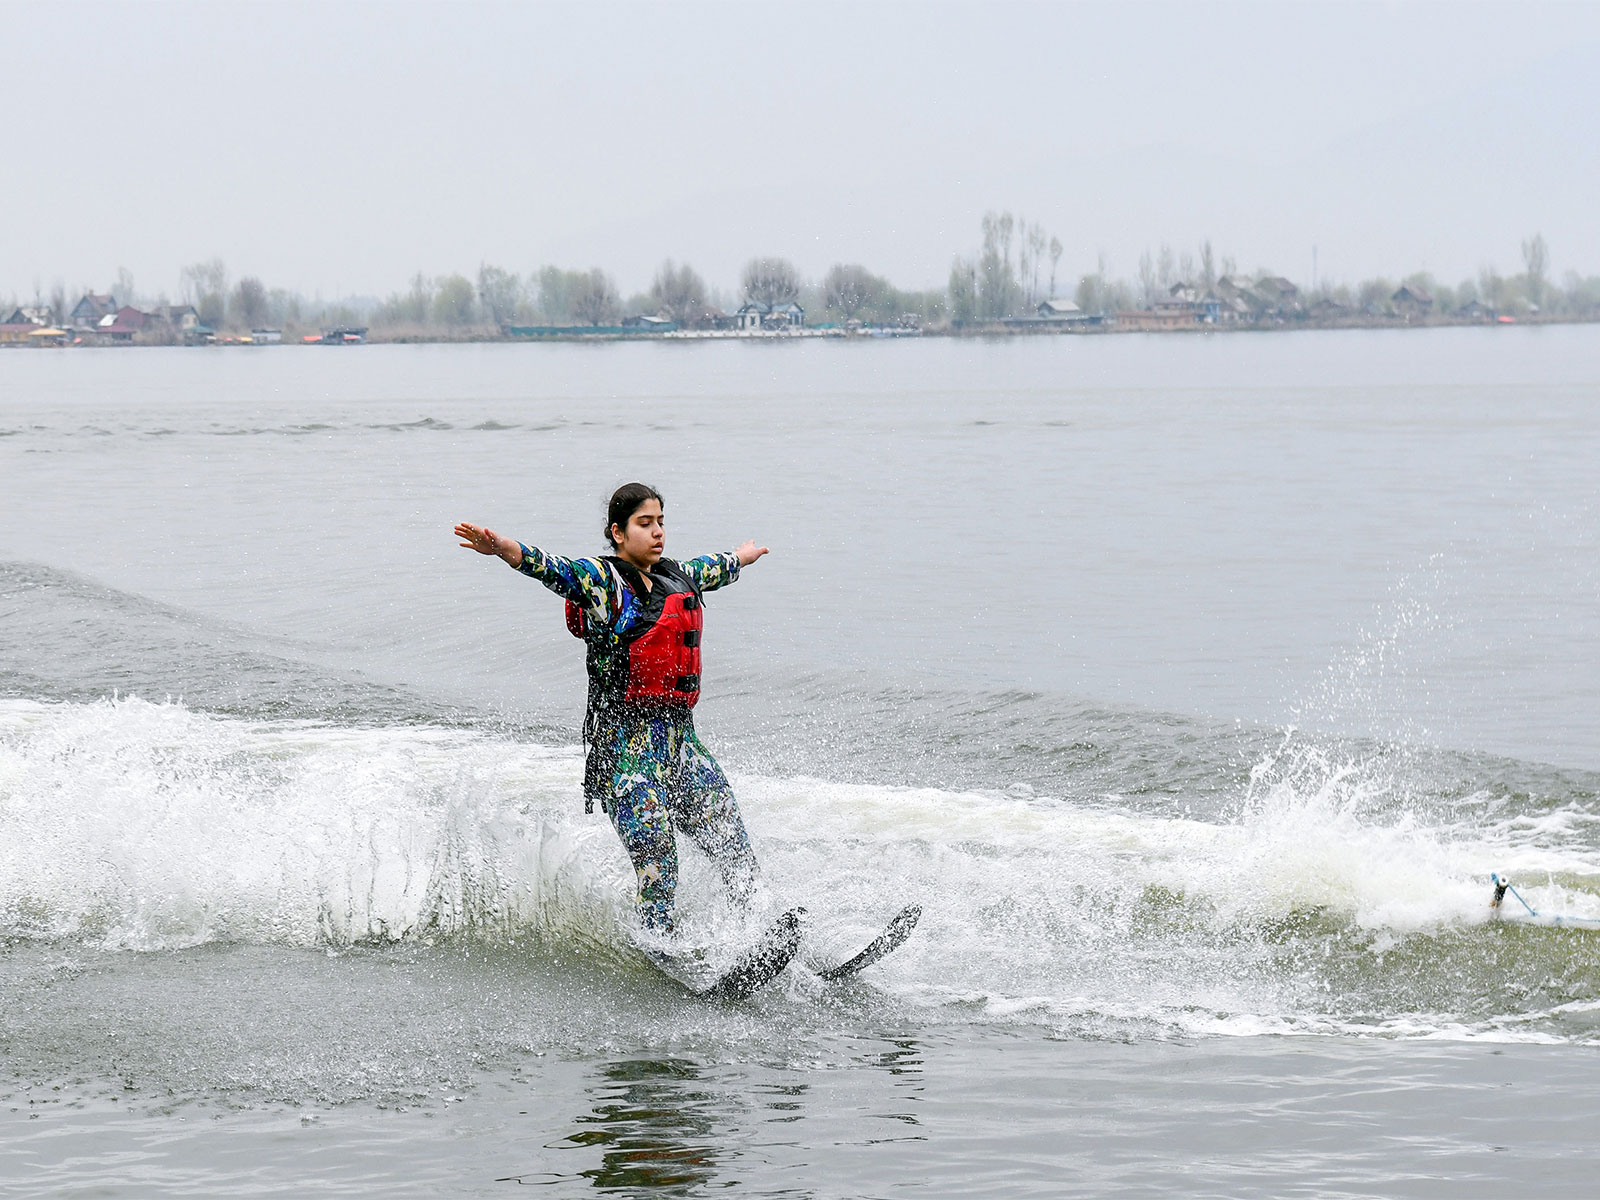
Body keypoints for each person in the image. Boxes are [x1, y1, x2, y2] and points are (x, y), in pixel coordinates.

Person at [454, 483, 769, 937]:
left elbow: (712, 568)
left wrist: (740, 557)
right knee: (659, 863)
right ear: (618, 533)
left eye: (661, 522)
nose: (658, 532)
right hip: (626, 756)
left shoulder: (677, 576)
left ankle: (756, 938)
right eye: (645, 523)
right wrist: (505, 549)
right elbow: (553, 569)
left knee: (735, 851)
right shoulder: (603, 583)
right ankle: (661, 948)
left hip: (682, 748)